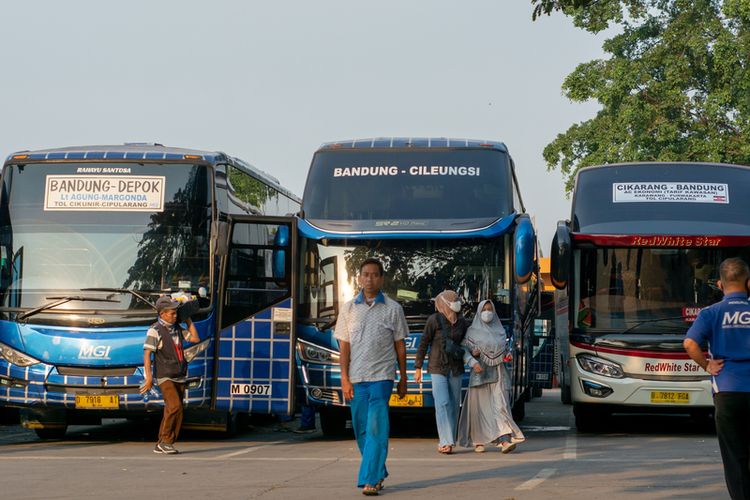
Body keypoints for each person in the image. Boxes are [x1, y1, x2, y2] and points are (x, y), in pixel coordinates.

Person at [336, 258, 408, 496]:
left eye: (375, 275)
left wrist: (403, 378)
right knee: (361, 430)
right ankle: (378, 470)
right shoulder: (347, 309)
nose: (370, 278)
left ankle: (370, 480)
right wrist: (344, 378)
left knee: (377, 427)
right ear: (359, 278)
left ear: (381, 278)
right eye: (365, 274)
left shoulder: (393, 308)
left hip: (382, 377)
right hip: (357, 378)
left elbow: (400, 346)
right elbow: (344, 348)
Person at [684, 257, 750, 500]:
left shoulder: (711, 312)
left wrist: (707, 364)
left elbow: (690, 343)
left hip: (727, 390)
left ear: (720, 285)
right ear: (749, 283)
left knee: (735, 456)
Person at [457, 300, 525, 453]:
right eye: (484, 310)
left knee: (500, 404)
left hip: (499, 372)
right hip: (480, 372)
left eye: (490, 310)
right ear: (479, 312)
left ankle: (505, 440)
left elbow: (505, 349)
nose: (487, 313)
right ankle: (478, 441)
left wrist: (507, 355)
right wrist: (472, 361)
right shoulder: (472, 332)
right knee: (480, 408)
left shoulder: (500, 331)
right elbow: (464, 350)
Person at [141, 296, 200, 455]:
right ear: (162, 314)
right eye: (172, 313)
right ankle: (166, 441)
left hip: (179, 373)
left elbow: (195, 338)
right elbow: (147, 355)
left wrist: (187, 318)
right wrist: (149, 378)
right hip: (165, 375)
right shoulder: (155, 330)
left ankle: (162, 443)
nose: (175, 316)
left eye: (176, 313)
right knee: (175, 406)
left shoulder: (177, 329)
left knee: (174, 410)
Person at [414, 290, 468, 455]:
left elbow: (469, 341)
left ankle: (450, 439)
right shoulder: (434, 320)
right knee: (442, 403)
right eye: (452, 300)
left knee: (453, 405)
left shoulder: (463, 322)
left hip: (456, 368)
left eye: (456, 299)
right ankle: (446, 441)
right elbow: (424, 342)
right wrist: (418, 367)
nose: (455, 302)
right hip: (437, 366)